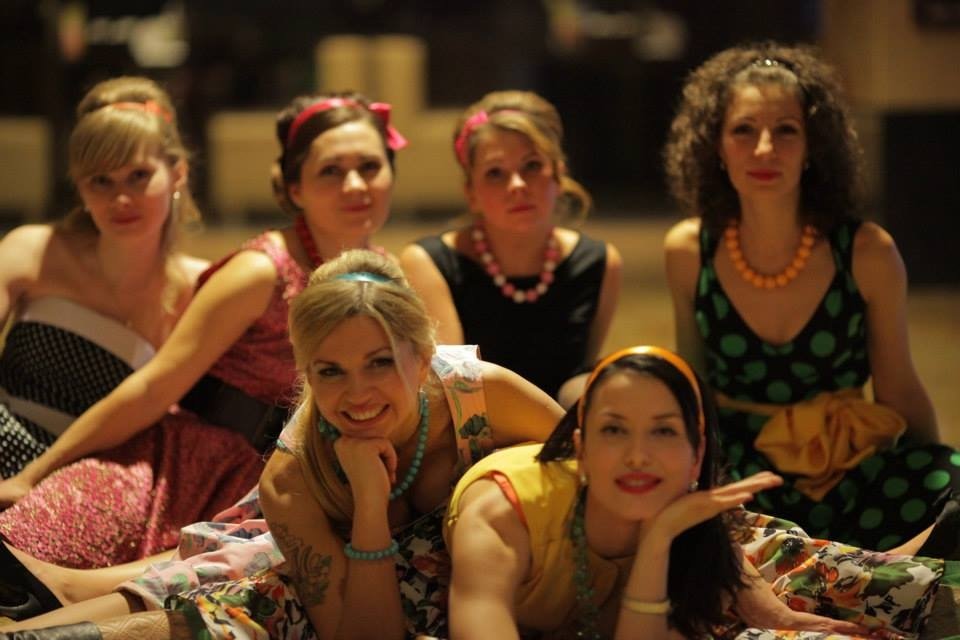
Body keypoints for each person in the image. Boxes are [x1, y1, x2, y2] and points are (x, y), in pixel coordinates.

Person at [0, 249, 564, 639]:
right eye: (331, 371)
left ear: (422, 358)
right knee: (228, 586)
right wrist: (370, 508)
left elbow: (588, 470)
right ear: (306, 374)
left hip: (490, 591)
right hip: (323, 578)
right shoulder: (292, 476)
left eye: (379, 362)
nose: (358, 393)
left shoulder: (482, 394)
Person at [0, 92, 406, 576]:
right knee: (23, 568)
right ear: (295, 188)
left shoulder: (387, 277)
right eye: (331, 171)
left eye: (369, 167)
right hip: (178, 468)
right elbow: (155, 387)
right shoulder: (261, 269)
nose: (355, 185)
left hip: (275, 483)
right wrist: (33, 476)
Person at [662, 41, 960, 552]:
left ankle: (833, 568)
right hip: (743, 469)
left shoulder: (867, 251)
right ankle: (858, 571)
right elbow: (694, 388)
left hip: (851, 461)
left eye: (786, 130)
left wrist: (933, 480)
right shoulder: (688, 249)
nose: (764, 149)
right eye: (743, 130)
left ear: (812, 149)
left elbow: (899, 387)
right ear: (715, 147)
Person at [445, 346, 943, 639]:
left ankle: (930, 545)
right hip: (669, 577)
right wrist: (659, 537)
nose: (638, 455)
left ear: (697, 452)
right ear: (581, 447)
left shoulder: (671, 496)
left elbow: (721, 563)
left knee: (894, 587)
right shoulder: (502, 514)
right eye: (614, 430)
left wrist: (774, 613)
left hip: (717, 547)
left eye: (664, 431)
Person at [0, 76, 207, 478]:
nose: (121, 198)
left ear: (177, 173)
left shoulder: (202, 287)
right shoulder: (33, 248)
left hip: (95, 486)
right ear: (80, 187)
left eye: (138, 175)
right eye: (101, 181)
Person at [399, 90, 622, 401]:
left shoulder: (599, 262)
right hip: (473, 428)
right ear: (471, 193)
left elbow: (580, 381)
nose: (517, 185)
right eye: (495, 173)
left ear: (559, 174)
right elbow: (458, 392)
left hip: (565, 428)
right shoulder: (428, 262)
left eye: (532, 166)